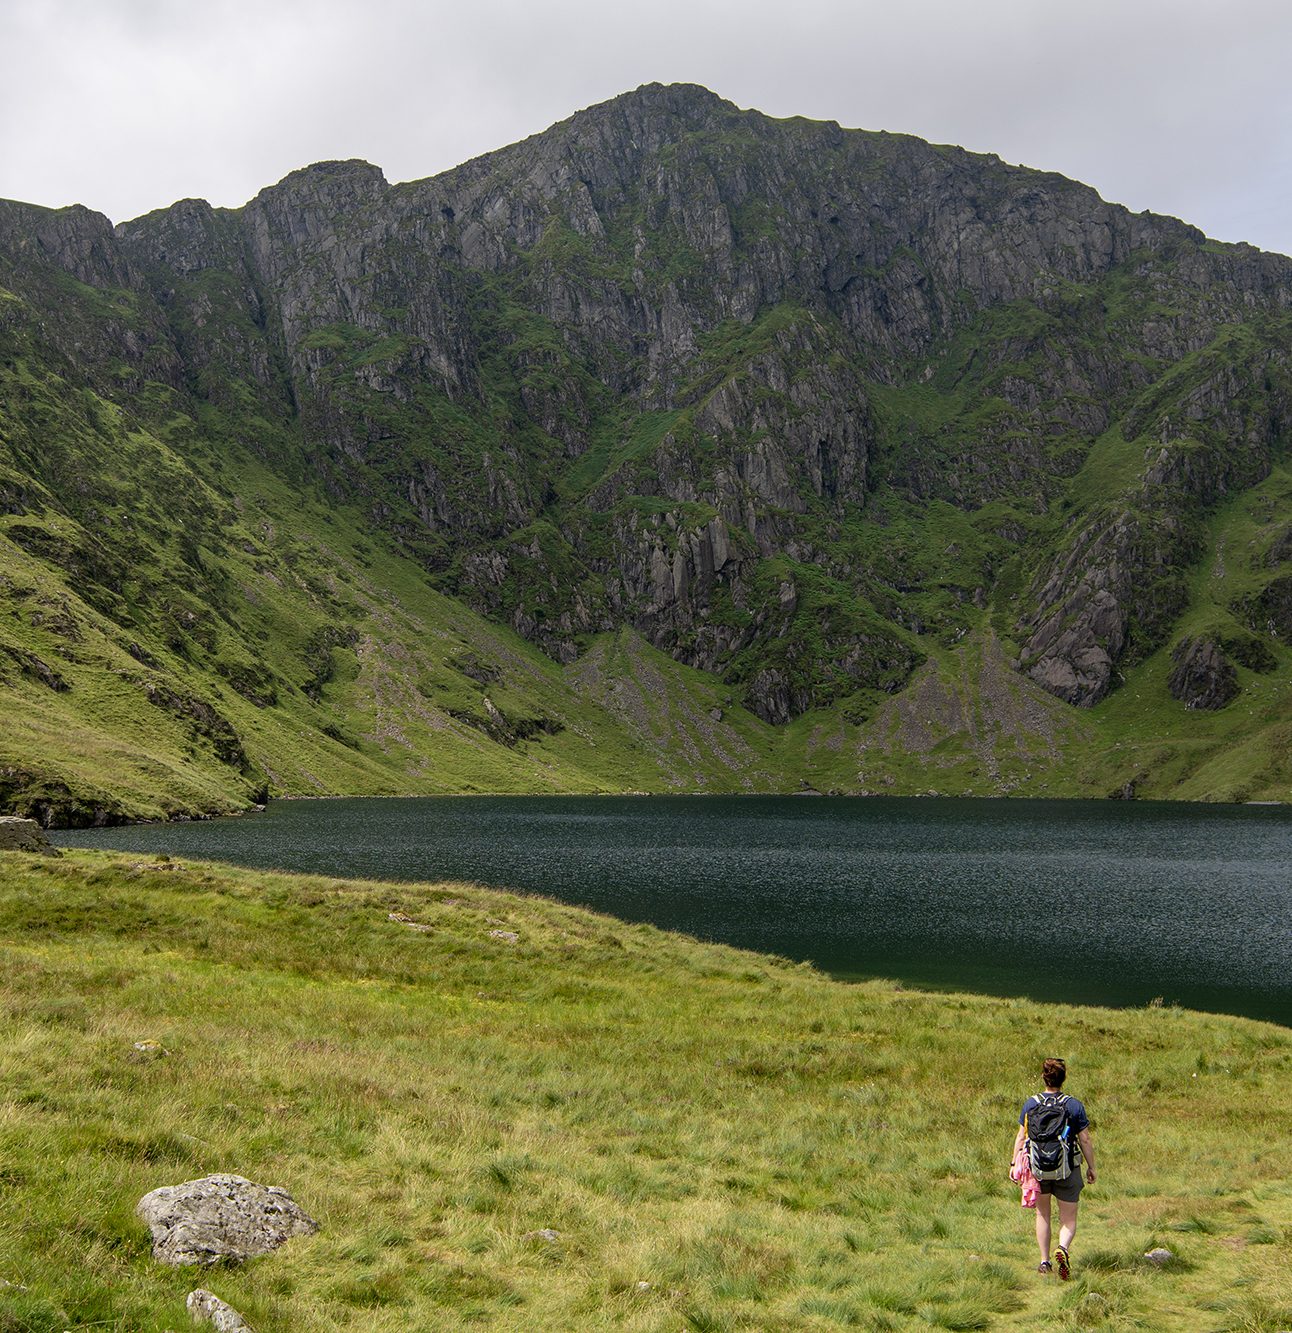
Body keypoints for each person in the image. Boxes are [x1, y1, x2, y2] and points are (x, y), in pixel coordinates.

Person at [1012, 1057, 1096, 1279]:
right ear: (1063, 1078)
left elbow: (1021, 1136)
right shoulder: (1073, 1105)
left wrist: (1014, 1164)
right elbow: (1085, 1139)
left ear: (1044, 1077)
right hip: (1067, 1168)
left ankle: (1044, 1262)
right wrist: (1091, 1166)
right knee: (1068, 1218)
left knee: (1043, 1214)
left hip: (1038, 1169)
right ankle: (1064, 1248)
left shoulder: (1031, 1104)